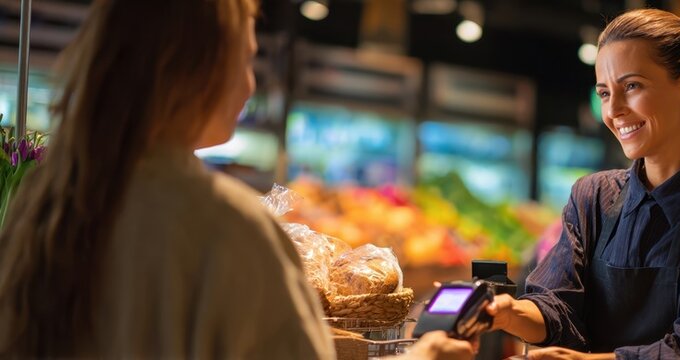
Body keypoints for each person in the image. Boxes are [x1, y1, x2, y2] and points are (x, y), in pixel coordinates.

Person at [0, 0, 473, 359]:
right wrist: (423, 354)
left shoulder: (40, 198)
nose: (250, 85)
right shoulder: (231, 227)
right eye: (245, 59)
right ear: (196, 69)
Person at [486, 8, 680, 359]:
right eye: (605, 93)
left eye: (632, 86)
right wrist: (506, 312)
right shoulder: (592, 197)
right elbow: (557, 306)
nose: (614, 111)